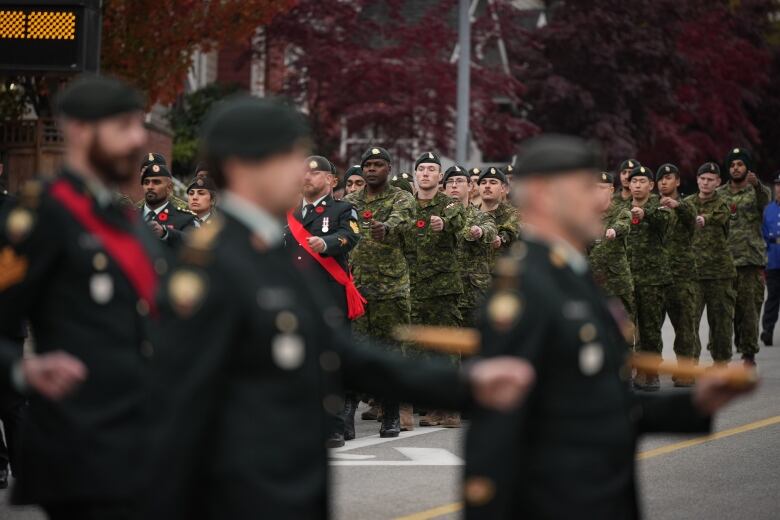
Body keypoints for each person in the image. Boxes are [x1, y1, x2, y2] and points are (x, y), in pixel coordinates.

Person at [142, 95, 535, 520]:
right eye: (290, 158)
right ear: (242, 166)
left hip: (290, 482)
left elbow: (339, 354)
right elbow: (178, 402)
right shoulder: (210, 268)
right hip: (236, 488)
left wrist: (466, 386)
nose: (301, 173)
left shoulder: (271, 249)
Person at [464, 134, 755, 520]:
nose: (601, 199)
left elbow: (592, 401)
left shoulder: (571, 273)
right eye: (585, 188)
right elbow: (500, 424)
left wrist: (695, 404)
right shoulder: (525, 289)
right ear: (542, 195)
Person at [0, 74, 163, 519]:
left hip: (145, 443)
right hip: (83, 450)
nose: (136, 140)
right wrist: (21, 368)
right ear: (79, 131)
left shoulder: (124, 221)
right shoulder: (40, 216)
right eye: (123, 127)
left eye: (139, 127)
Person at [345, 146, 417, 437]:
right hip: (357, 289)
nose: (372, 169)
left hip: (391, 288)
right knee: (353, 352)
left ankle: (391, 414)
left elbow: (402, 218)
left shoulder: (401, 198)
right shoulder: (350, 201)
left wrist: (386, 227)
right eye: (367, 165)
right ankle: (346, 416)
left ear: (389, 168)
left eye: (378, 164)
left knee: (391, 352)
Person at [404, 152, 466, 428]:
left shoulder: (449, 204)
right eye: (422, 169)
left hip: (442, 286)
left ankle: (450, 406)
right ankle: (430, 405)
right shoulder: (405, 205)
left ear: (440, 177)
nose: (426, 173)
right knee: (417, 349)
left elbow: (457, 221)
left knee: (446, 348)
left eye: (432, 169)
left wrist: (443, 223)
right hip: (412, 286)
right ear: (415, 174)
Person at [717, 148, 770, 366]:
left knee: (749, 311)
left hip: (750, 260)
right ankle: (725, 353)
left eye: (740, 164)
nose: (736, 168)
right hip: (724, 261)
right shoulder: (719, 194)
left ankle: (749, 355)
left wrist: (756, 185)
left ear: (747, 167)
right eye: (732, 165)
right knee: (725, 312)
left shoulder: (757, 191)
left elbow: (765, 201)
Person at [685, 162, 737, 365]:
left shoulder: (724, 204)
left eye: (710, 179)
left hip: (719, 274)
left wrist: (703, 219)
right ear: (697, 179)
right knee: (689, 322)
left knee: (721, 323)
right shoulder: (687, 203)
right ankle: (690, 365)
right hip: (693, 274)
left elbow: (720, 216)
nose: (705, 183)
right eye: (702, 178)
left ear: (718, 182)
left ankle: (721, 363)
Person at [626, 165, 671, 391]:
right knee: (626, 328)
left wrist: (645, 214)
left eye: (643, 181)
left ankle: (650, 373)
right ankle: (630, 371)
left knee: (650, 329)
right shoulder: (621, 208)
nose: (637, 185)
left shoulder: (660, 206)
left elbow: (664, 223)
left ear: (651, 185)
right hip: (626, 278)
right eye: (634, 181)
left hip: (653, 279)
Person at [656, 163, 699, 383]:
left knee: (684, 326)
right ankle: (650, 371)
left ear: (678, 181)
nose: (664, 182)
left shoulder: (687, 205)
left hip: (681, 277)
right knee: (651, 328)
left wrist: (676, 206)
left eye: (669, 178)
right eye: (661, 179)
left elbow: (692, 218)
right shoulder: (652, 207)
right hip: (655, 276)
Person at [444, 165, 497, 329]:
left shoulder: (480, 216)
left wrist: (480, 231)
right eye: (450, 181)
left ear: (469, 186)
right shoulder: (437, 215)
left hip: (471, 294)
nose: (454, 185)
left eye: (459, 181)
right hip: (443, 293)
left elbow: (491, 230)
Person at [587, 171, 635, 333]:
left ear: (611, 190)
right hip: (592, 284)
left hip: (617, 284)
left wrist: (613, 231)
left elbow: (624, 224)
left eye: (602, 188)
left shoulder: (621, 211)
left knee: (623, 333)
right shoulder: (585, 215)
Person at [141, 163, 198, 246]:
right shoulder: (131, 216)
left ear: (169, 188)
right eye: (146, 182)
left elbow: (193, 244)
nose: (150, 187)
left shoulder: (185, 219)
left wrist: (166, 233)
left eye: (156, 182)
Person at [478, 167, 519, 270]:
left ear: (503, 188)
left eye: (493, 182)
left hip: (500, 276)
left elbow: (511, 231)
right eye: (483, 183)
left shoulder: (513, 214)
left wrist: (500, 239)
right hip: (471, 281)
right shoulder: (468, 213)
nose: (487, 186)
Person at [760, 171, 780, 346]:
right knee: (773, 297)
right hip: (774, 260)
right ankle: (767, 330)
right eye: (778, 185)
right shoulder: (769, 210)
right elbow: (763, 235)